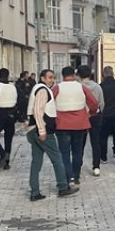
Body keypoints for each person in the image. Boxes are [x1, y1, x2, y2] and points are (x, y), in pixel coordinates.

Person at [26, 69, 76, 200]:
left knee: (36, 162)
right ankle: (63, 187)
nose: (52, 80)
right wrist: (42, 131)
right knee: (57, 158)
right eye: (49, 77)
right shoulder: (42, 90)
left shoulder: (37, 88)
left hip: (32, 129)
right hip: (43, 131)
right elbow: (38, 110)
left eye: (53, 78)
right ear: (42, 78)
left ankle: (35, 191)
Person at [53, 66, 98, 185]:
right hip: (80, 124)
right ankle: (76, 175)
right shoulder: (81, 87)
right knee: (77, 151)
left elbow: (50, 102)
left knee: (64, 152)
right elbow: (94, 102)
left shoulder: (57, 88)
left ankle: (68, 177)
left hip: (62, 124)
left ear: (62, 75)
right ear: (74, 75)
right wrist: (91, 113)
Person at [78, 65, 105, 177]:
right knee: (96, 142)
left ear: (78, 75)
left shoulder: (78, 87)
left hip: (81, 117)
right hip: (95, 116)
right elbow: (102, 103)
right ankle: (96, 167)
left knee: (80, 143)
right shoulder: (97, 87)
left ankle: (78, 166)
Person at [0, 69, 19, 169]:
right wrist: (19, 114)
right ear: (8, 75)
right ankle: (6, 163)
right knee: (8, 139)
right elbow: (22, 99)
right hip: (11, 114)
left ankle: (2, 154)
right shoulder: (13, 87)